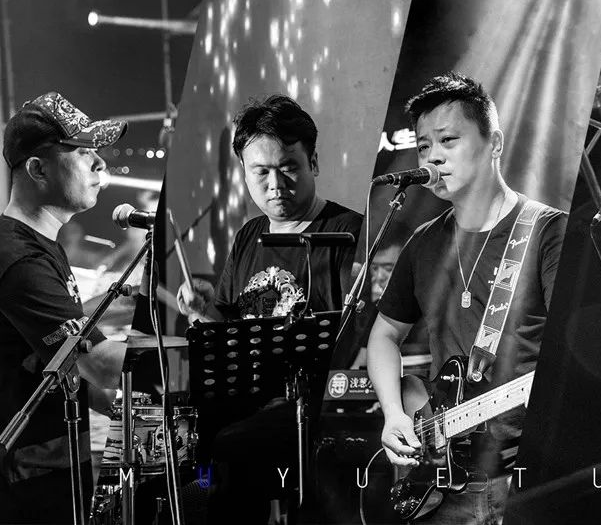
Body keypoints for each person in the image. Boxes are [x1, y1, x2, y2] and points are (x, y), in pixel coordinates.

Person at [367, 72, 566, 524]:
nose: (433, 156)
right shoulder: (422, 242)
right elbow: (383, 334)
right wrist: (395, 414)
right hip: (441, 482)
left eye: (448, 140)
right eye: (423, 146)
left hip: (519, 475)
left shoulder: (548, 232)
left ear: (494, 143)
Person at [176, 94, 362, 523]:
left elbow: (359, 342)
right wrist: (201, 311)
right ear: (244, 173)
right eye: (260, 172)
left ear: (313, 162)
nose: (275, 184)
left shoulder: (349, 233)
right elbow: (228, 328)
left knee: (231, 446)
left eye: (288, 167)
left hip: (311, 405)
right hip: (249, 398)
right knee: (182, 442)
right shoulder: (249, 235)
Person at [0, 92, 128, 523]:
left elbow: (54, 358)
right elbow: (99, 364)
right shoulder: (17, 260)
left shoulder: (32, 244)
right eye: (82, 152)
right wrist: (192, 359)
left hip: (39, 475)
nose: (99, 163)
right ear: (37, 169)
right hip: (25, 491)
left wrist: (121, 408)